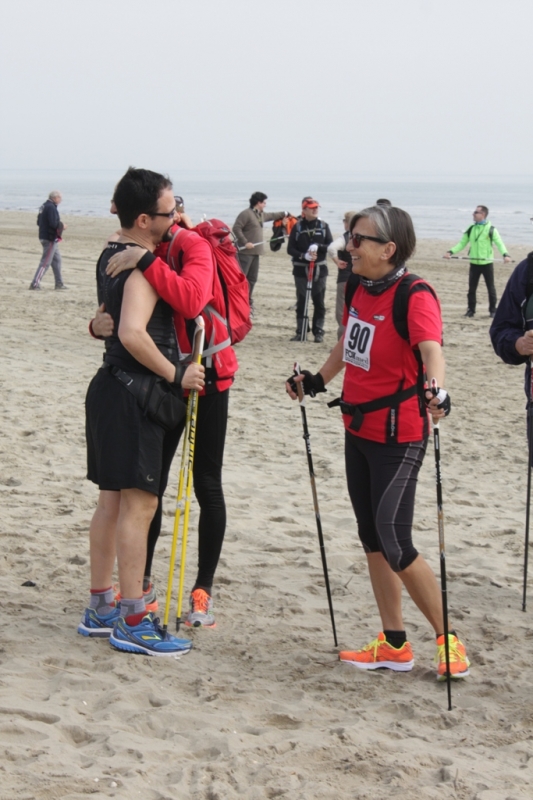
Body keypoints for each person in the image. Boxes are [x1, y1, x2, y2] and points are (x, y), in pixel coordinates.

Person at [286, 204, 470, 681]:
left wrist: (439, 392)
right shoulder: (354, 288)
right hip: (357, 428)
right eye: (349, 236)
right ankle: (393, 644)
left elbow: (432, 351)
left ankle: (448, 639)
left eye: (359, 239)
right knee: (372, 537)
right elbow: (349, 342)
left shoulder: (415, 294)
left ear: (389, 249)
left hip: (400, 434)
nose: (349, 245)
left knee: (394, 538)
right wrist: (317, 381)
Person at [91, 197, 238, 630]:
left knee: (205, 481)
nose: (171, 217)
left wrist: (145, 261)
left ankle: (203, 590)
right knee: (147, 485)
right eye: (166, 209)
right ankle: (143, 585)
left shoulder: (192, 245)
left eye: (175, 209)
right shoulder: (136, 247)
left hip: (208, 374)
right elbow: (120, 317)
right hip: (165, 379)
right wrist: (95, 325)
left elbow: (194, 300)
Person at [79, 167, 205, 656]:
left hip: (109, 387)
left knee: (111, 503)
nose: (176, 215)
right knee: (139, 505)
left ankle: (100, 606)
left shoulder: (111, 251)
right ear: (143, 219)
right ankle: (132, 616)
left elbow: (109, 323)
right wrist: (177, 374)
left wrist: (99, 326)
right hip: (134, 392)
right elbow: (130, 332)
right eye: (169, 210)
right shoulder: (137, 263)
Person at [443, 205, 511, 318]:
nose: (473, 214)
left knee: (491, 288)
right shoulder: (471, 228)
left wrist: (505, 255)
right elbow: (462, 243)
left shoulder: (491, 229)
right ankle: (471, 310)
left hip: (487, 263)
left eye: (476, 212)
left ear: (483, 214)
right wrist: (450, 252)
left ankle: (493, 310)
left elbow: (499, 243)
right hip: (474, 263)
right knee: (472, 289)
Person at [287, 197, 333, 343]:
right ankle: (301, 331)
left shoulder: (324, 226)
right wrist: (303, 256)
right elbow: (290, 249)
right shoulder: (298, 227)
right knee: (302, 301)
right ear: (304, 210)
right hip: (301, 270)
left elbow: (331, 246)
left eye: (316, 207)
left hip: (320, 269)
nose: (315, 209)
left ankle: (318, 331)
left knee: (319, 301)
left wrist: (319, 247)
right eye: (312, 207)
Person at [233, 192, 288, 305]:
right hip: (245, 252)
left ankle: (247, 299)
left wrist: (285, 213)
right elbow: (236, 228)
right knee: (241, 278)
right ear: (258, 203)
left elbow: (272, 215)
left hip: (256, 252)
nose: (265, 205)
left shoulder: (260, 214)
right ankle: (238, 300)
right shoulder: (246, 214)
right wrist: (245, 242)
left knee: (252, 279)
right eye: (264, 202)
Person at [327, 210, 357, 338]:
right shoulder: (362, 237)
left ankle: (342, 341)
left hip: (345, 278)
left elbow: (331, 248)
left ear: (347, 223)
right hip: (360, 279)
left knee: (342, 311)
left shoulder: (345, 238)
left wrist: (337, 261)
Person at [29, 191, 67, 290]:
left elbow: (39, 221)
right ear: (55, 198)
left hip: (46, 236)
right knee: (45, 262)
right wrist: (63, 226)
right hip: (49, 238)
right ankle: (35, 284)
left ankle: (59, 283)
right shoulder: (50, 207)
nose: (61, 200)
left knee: (57, 260)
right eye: (60, 198)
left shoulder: (44, 206)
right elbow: (54, 224)